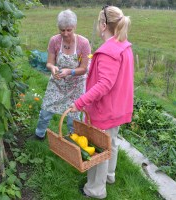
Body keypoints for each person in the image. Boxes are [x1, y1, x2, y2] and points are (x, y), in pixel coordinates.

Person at [70, 6, 134, 199]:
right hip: (117, 108)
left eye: (99, 23)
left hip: (104, 109)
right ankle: (109, 176)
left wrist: (80, 102)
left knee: (99, 148)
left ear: (104, 25)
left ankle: (95, 189)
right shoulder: (124, 45)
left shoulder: (108, 51)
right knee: (111, 143)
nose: (98, 26)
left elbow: (104, 84)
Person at [33, 9, 91, 140]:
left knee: (73, 117)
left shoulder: (83, 43)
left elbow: (84, 69)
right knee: (46, 110)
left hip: (76, 84)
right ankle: (39, 134)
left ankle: (73, 140)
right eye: (62, 30)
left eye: (69, 30)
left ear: (74, 27)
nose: (65, 33)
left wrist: (69, 71)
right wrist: (53, 68)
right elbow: (49, 63)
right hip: (57, 82)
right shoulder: (54, 41)